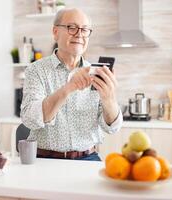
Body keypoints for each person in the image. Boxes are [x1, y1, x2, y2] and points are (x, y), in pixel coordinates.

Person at [20, 8, 123, 161]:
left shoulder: (96, 72)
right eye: (72, 27)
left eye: (85, 29)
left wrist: (109, 99)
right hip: (46, 159)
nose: (79, 34)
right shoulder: (36, 70)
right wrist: (69, 87)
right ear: (55, 32)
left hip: (89, 158)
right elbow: (30, 118)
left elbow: (112, 127)